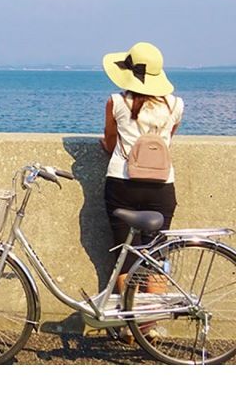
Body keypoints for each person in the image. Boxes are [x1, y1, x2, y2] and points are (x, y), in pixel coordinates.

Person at [99, 42, 184, 297]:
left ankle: (128, 325)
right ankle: (151, 325)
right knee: (157, 254)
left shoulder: (116, 102)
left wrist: (108, 145)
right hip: (161, 186)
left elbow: (110, 140)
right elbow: (168, 140)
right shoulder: (176, 105)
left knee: (124, 255)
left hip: (122, 183)